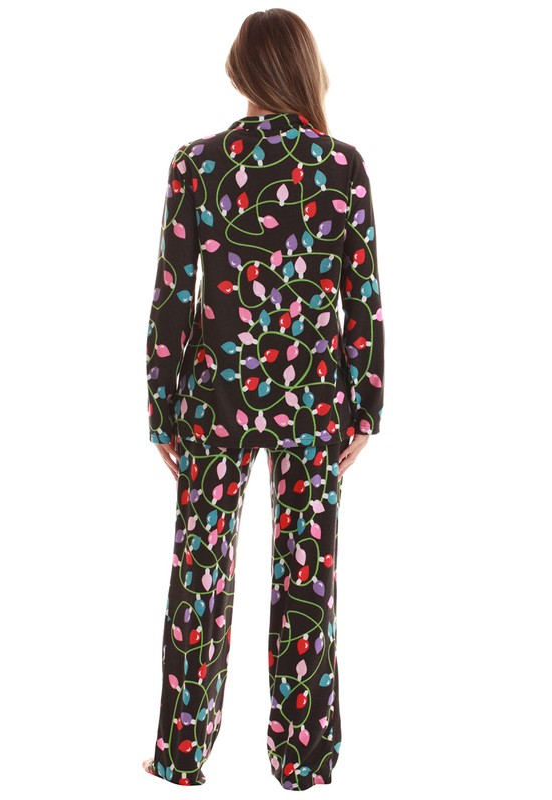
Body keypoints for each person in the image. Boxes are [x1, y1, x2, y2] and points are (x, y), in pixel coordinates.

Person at [142, 8, 385, 790]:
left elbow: (174, 295)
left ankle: (181, 754)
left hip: (214, 397)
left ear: (242, 69)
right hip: (313, 402)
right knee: (307, 579)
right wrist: (365, 406)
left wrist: (162, 407)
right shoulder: (342, 167)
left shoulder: (197, 164)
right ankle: (304, 760)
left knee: (199, 575)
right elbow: (361, 297)